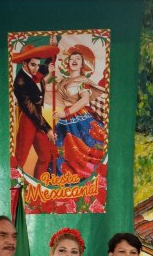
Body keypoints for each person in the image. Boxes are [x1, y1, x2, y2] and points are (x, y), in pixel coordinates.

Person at [51, 45, 106, 179]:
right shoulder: (62, 81)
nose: (74, 60)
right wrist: (52, 48)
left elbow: (84, 100)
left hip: (79, 118)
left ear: (82, 65)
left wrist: (67, 112)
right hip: (64, 121)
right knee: (63, 152)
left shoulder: (82, 81)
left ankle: (88, 178)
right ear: (67, 63)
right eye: (72, 58)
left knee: (83, 151)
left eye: (78, 59)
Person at [11, 44, 59, 178]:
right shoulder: (20, 82)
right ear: (23, 63)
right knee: (20, 158)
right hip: (29, 119)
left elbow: (47, 67)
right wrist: (48, 129)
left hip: (38, 119)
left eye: (38, 65)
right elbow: (31, 110)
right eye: (33, 65)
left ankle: (39, 185)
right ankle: (15, 191)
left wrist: (52, 46)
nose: (36, 68)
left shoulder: (35, 72)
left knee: (45, 155)